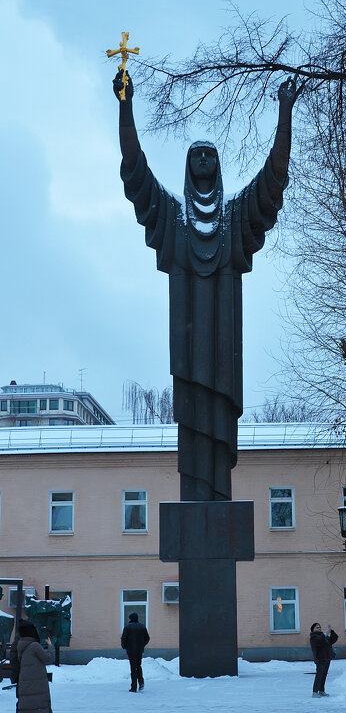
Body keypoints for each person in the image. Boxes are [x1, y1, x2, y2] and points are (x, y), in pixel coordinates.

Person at [113, 70, 299, 503]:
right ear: (187, 164)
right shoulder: (171, 215)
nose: (201, 159)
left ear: (218, 164)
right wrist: (125, 106)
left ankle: (216, 493)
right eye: (195, 153)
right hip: (188, 355)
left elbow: (273, 182)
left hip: (223, 355)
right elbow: (136, 173)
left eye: (209, 154)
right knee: (192, 416)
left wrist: (284, 115)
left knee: (216, 418)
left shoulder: (235, 217)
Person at [16, 620, 54, 713]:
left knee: (28, 703)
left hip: (25, 679)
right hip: (37, 680)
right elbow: (47, 658)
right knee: (37, 703)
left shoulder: (21, 645)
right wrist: (50, 646)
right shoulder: (34, 646)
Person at [121, 612, 150, 692]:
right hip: (139, 650)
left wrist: (124, 646)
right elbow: (147, 638)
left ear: (131, 619)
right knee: (139, 666)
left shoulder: (127, 627)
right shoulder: (142, 627)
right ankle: (141, 682)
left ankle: (133, 687)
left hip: (130, 650)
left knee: (133, 668)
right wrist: (142, 645)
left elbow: (124, 638)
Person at [310, 622, 338, 697]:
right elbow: (319, 641)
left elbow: (332, 640)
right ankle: (315, 692)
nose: (319, 628)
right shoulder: (313, 637)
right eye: (317, 627)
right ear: (313, 629)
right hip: (320, 659)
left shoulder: (323, 636)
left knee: (323, 675)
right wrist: (326, 633)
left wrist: (331, 631)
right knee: (319, 675)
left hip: (327, 657)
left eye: (319, 627)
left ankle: (321, 691)